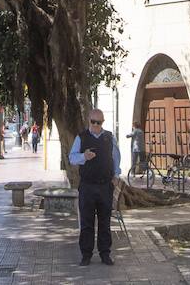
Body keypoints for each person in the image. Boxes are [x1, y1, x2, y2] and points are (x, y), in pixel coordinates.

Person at [68, 108, 121, 267]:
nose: (96, 125)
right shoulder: (81, 137)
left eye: (99, 122)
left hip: (105, 186)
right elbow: (72, 158)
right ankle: (86, 255)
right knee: (86, 222)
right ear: (89, 121)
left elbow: (116, 157)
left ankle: (105, 254)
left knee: (105, 222)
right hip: (87, 187)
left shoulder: (109, 138)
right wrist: (84, 156)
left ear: (103, 122)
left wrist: (116, 176)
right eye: (93, 122)